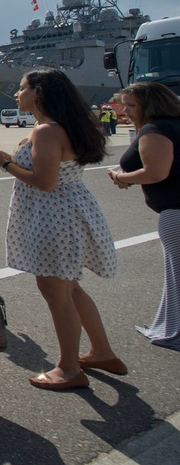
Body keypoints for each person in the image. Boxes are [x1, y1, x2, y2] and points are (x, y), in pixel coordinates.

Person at [0, 67, 123, 390]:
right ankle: (102, 352)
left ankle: (69, 369)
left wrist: (3, 161)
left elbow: (45, 182)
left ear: (39, 92)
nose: (17, 93)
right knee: (70, 288)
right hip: (71, 211)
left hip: (52, 217)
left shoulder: (46, 132)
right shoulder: (63, 126)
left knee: (55, 292)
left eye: (22, 88)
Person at [110, 82, 180, 351]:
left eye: (131, 105)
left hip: (175, 212)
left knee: (176, 276)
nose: (124, 110)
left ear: (150, 106)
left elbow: (155, 172)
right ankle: (168, 325)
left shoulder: (156, 129)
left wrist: (120, 176)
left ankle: (173, 331)